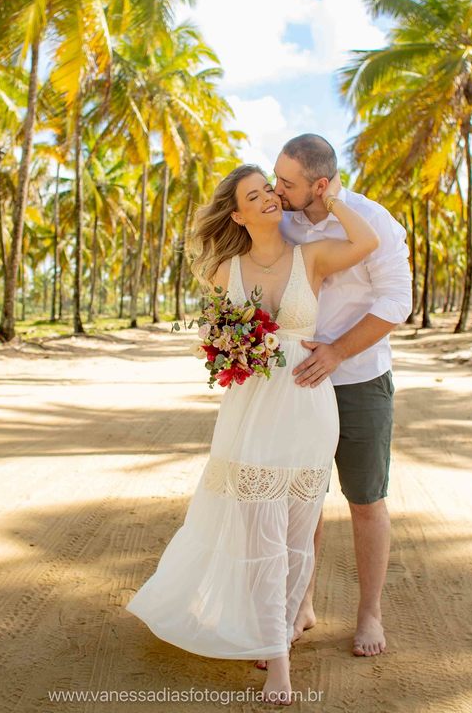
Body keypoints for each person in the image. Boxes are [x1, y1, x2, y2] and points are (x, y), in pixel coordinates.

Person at [126, 163, 379, 705]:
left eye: (270, 190)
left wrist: (329, 199)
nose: (267, 198)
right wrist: (223, 347)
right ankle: (278, 663)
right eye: (254, 195)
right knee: (259, 534)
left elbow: (368, 239)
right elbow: (212, 338)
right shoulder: (225, 271)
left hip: (309, 405)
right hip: (251, 410)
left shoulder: (311, 257)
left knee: (295, 534)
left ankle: (280, 627)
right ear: (237, 215)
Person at [274, 133, 412, 660]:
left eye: (288, 182)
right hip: (298, 382)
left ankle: (369, 612)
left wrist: (336, 351)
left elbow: (398, 301)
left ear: (322, 185)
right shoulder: (283, 217)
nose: (277, 189)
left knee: (365, 501)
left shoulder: (375, 221)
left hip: (360, 379)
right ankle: (300, 603)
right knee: (300, 500)